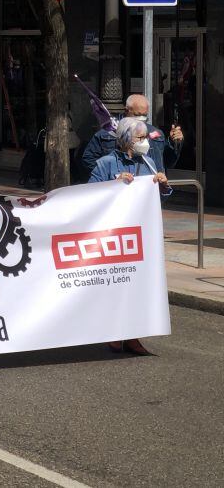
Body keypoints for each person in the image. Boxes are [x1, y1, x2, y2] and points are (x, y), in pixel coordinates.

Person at [89, 116, 170, 356]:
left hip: (141, 236)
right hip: (113, 235)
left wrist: (163, 185)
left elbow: (161, 196)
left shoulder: (150, 161)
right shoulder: (106, 163)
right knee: (116, 284)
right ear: (125, 140)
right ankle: (114, 334)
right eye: (140, 137)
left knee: (137, 285)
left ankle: (132, 335)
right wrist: (114, 184)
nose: (145, 141)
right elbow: (89, 194)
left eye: (145, 137)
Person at [81, 93, 182, 180]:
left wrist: (174, 143)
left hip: (150, 189)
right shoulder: (107, 134)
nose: (141, 118)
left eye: (144, 115)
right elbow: (88, 160)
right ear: (127, 111)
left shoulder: (156, 133)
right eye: (137, 114)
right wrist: (110, 175)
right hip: (122, 189)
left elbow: (168, 162)